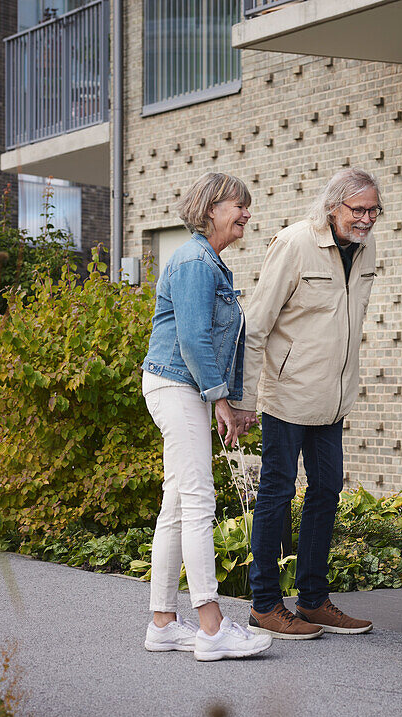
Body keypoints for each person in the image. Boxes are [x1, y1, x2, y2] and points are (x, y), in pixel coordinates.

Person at [232, 168, 381, 639]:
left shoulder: (367, 248)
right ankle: (264, 605)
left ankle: (313, 600)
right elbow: (255, 325)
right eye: (358, 210)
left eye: (374, 210)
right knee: (277, 493)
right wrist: (242, 399)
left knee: (326, 491)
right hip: (286, 394)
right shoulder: (295, 244)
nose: (367, 219)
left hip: (332, 400)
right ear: (332, 207)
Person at [140, 172, 272, 662]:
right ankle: (212, 629)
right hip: (178, 385)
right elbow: (196, 341)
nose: (246, 214)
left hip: (186, 387)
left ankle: (163, 623)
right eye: (239, 205)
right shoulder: (196, 261)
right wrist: (221, 401)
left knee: (176, 504)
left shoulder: (211, 264)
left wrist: (229, 401)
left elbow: (222, 344)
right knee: (198, 501)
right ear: (211, 208)